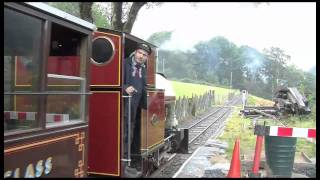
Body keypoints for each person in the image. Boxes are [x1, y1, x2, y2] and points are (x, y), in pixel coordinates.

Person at [123, 43, 151, 177]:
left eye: (144, 55)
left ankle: (132, 160)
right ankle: (123, 163)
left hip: (138, 106)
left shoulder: (144, 69)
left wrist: (149, 106)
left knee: (135, 134)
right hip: (125, 105)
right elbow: (114, 81)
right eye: (140, 53)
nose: (141, 56)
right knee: (125, 133)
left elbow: (144, 87)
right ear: (135, 52)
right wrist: (124, 88)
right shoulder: (124, 64)